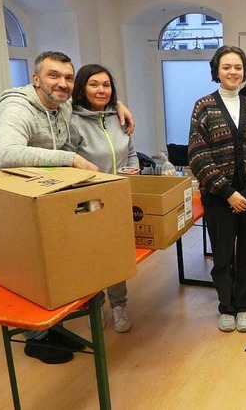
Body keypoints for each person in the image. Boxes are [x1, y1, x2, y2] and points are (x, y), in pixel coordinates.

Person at [0, 51, 135, 364]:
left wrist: (118, 105)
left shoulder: (62, 103)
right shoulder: (17, 108)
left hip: (26, 196)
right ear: (35, 79)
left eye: (68, 78)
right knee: (18, 273)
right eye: (53, 76)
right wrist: (69, 158)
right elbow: (7, 153)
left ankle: (47, 329)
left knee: (44, 264)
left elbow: (94, 100)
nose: (62, 83)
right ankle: (33, 338)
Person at [188, 46, 246, 333]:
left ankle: (245, 304)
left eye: (238, 67)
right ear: (217, 71)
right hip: (218, 198)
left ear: (244, 71)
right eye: (226, 67)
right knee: (223, 254)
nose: (232, 72)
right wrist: (228, 193)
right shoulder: (203, 106)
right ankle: (226, 305)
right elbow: (198, 154)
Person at [65, 64, 138, 333]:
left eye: (106, 85)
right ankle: (94, 304)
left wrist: (132, 168)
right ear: (82, 88)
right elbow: (67, 163)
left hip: (118, 196)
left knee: (116, 254)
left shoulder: (119, 117)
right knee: (92, 256)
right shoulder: (71, 122)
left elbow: (130, 151)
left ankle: (119, 305)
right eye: (94, 84)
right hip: (87, 201)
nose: (101, 90)